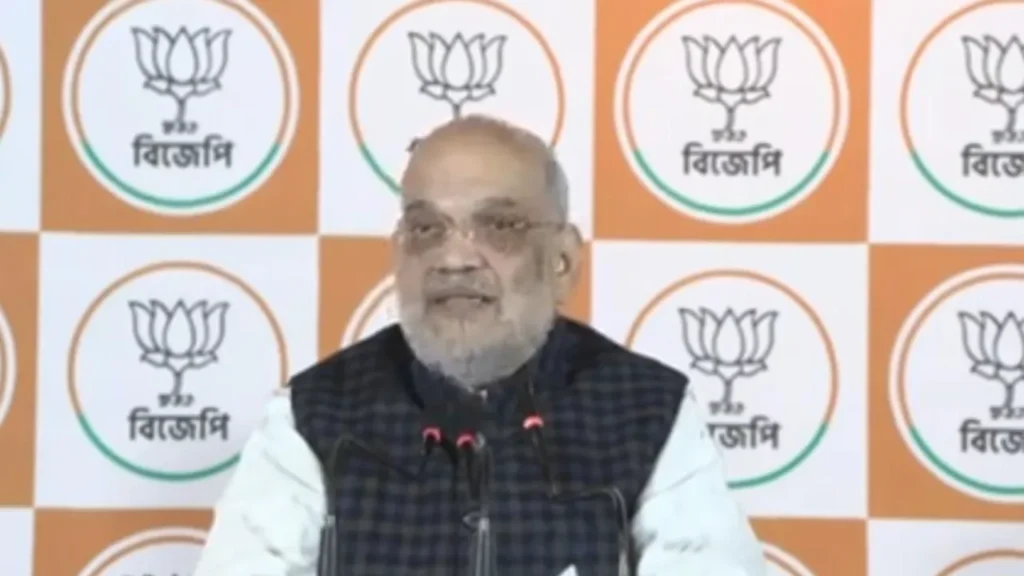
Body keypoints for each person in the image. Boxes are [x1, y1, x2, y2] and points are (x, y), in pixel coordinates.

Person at [192, 114, 766, 575]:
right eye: (427, 228)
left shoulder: (647, 409)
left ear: (562, 261)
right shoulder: (315, 413)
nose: (455, 257)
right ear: (399, 254)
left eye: (499, 226)